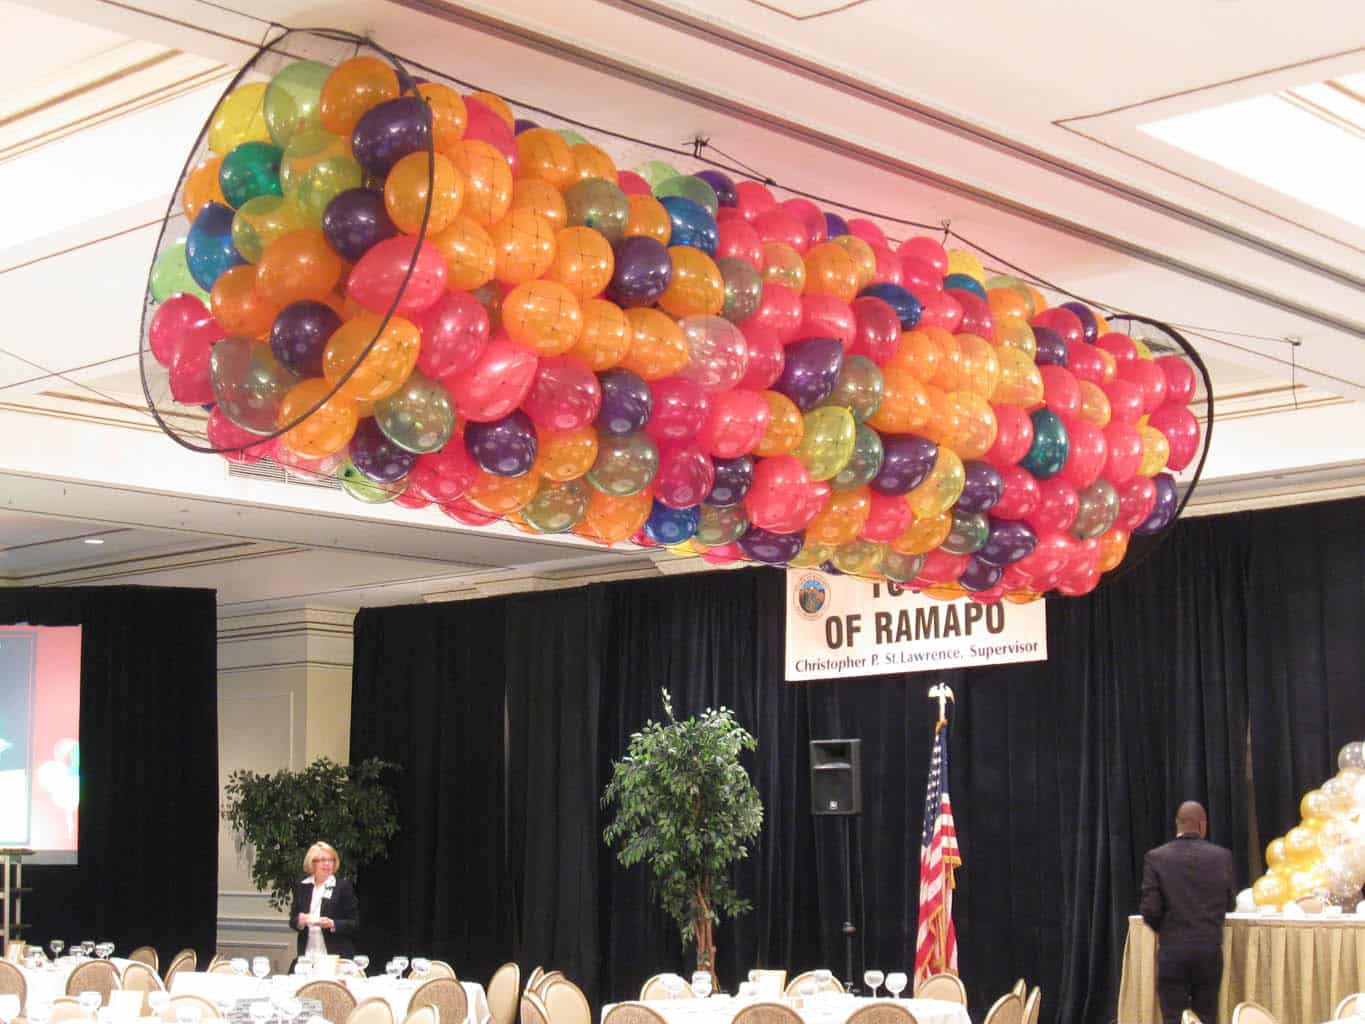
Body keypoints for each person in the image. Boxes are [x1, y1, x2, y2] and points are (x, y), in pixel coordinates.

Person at [1140, 801, 1235, 1024]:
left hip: (1172, 951)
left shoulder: (1156, 858)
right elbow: (1230, 904)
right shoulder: (1222, 857)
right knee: (1207, 1017)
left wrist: (1168, 929)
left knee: (1173, 1017)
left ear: (1177, 824)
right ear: (1203, 825)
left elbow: (1150, 910)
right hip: (1209, 951)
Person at [290, 841, 360, 959]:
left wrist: (332, 924)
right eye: (322, 860)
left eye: (331, 860)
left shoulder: (343, 886)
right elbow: (293, 921)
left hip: (336, 954)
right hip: (308, 954)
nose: (327, 864)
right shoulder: (302, 886)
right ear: (312, 863)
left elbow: (355, 923)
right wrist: (300, 921)